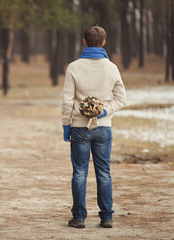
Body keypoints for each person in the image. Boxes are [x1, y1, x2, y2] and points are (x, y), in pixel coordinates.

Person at [62, 26, 126, 229]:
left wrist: (66, 126)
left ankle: (79, 217)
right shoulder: (112, 68)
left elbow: (67, 101)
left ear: (84, 41)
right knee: (104, 173)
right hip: (104, 128)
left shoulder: (74, 67)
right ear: (104, 42)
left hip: (80, 128)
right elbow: (121, 99)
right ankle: (106, 216)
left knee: (79, 173)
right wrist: (105, 111)